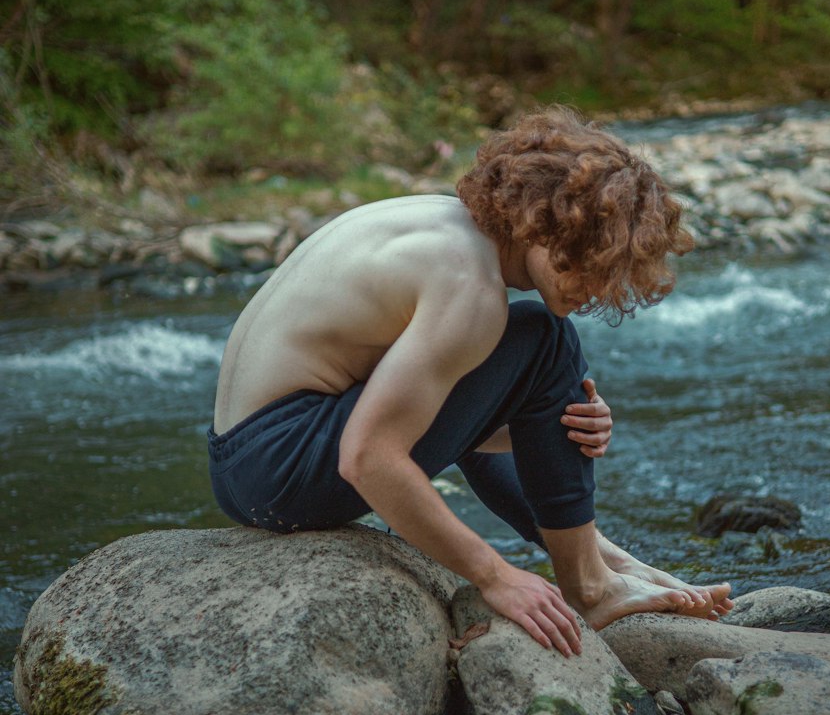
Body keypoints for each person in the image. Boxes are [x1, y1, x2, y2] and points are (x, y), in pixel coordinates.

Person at [208, 106, 732, 659]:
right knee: (545, 340)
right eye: (589, 263)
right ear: (544, 225)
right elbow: (368, 457)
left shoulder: (441, 225)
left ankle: (601, 560)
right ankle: (591, 586)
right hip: (284, 470)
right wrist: (495, 575)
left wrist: (549, 424)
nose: (598, 291)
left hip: (246, 465)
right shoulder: (470, 289)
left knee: (520, 358)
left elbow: (427, 412)